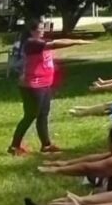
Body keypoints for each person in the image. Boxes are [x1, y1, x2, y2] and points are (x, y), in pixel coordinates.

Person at [8, 19, 91, 156]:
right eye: (39, 29)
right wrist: (78, 41)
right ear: (31, 31)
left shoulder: (39, 42)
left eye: (43, 28)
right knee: (30, 115)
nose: (42, 31)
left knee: (43, 115)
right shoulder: (31, 43)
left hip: (45, 84)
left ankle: (46, 145)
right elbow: (56, 44)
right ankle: (14, 146)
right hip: (33, 85)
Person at [36, 123, 112, 190]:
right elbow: (96, 158)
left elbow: (86, 168)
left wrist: (56, 170)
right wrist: (66, 163)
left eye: (109, 141)